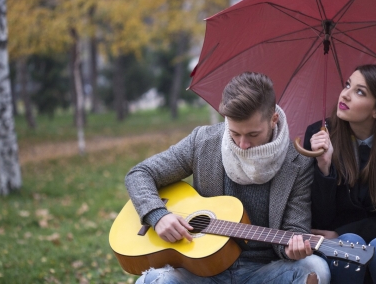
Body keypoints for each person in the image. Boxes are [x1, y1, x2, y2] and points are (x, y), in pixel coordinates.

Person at [126, 72, 330, 284]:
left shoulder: (297, 162)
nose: (242, 144)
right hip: (201, 270)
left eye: (252, 134)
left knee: (315, 268)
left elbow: (295, 229)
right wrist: (158, 215)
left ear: (273, 119)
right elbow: (140, 174)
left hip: (263, 272)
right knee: (152, 280)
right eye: (234, 133)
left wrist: (292, 249)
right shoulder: (203, 141)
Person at [303, 64, 376, 284]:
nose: (345, 94)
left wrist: (343, 233)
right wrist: (324, 165)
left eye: (359, 91)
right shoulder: (319, 135)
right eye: (347, 85)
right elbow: (319, 220)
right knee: (349, 243)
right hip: (336, 250)